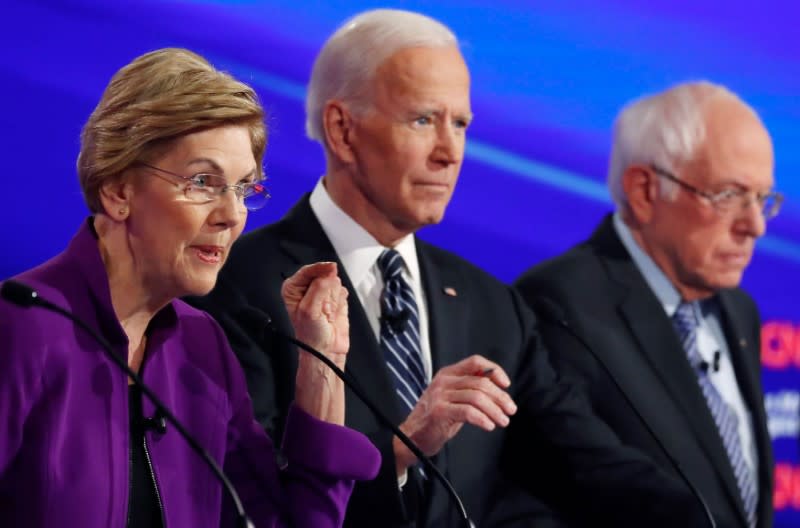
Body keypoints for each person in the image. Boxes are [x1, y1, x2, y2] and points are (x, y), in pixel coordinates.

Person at [190, 10, 718, 528]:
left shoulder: (493, 306)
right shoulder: (241, 287)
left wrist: (706, 517)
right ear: (342, 130)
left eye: (460, 124)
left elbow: (585, 465)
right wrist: (401, 448)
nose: (450, 152)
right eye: (423, 120)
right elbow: (246, 498)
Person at [0, 48, 379, 528]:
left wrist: (322, 362)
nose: (232, 214)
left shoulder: (203, 348)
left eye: (243, 188)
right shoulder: (21, 329)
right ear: (118, 190)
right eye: (203, 182)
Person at [515, 81, 778, 528]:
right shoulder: (560, 304)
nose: (754, 225)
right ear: (644, 191)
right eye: (729, 195)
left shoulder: (738, 309)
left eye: (762, 198)